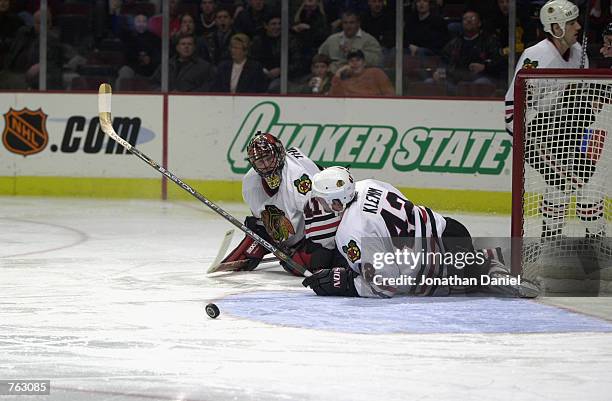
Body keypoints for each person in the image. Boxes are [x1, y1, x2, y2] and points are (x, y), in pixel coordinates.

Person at [301, 166, 540, 298]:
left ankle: (490, 269)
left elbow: (386, 284)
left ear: (336, 202)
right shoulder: (368, 185)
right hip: (450, 229)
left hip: (436, 263)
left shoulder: (350, 231)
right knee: (462, 260)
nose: (319, 206)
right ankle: (488, 259)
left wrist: (347, 285)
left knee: (467, 277)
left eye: (322, 201)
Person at [504, 0, 610, 242]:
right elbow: (513, 108)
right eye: (572, 23)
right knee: (586, 185)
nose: (578, 27)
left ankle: (550, 240)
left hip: (563, 134)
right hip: (532, 134)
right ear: (557, 27)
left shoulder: (578, 55)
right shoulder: (537, 56)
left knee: (559, 187)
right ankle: (598, 241)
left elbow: (580, 101)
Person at [220, 132, 342, 276]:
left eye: (268, 158)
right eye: (260, 161)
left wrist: (319, 255)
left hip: (326, 226)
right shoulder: (250, 183)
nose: (265, 166)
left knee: (309, 262)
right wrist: (261, 235)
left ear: (279, 153)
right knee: (256, 227)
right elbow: (265, 217)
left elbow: (329, 217)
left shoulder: (298, 179)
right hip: (296, 229)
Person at [429, 10, 502, 93]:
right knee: (430, 82)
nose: (468, 20)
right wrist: (439, 72)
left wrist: (484, 66)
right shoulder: (454, 43)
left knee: (478, 84)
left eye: (472, 18)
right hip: (456, 82)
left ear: (479, 23)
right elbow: (443, 61)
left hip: (481, 78)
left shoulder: (489, 41)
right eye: (465, 19)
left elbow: (498, 62)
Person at [318, 10, 383, 72]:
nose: (348, 26)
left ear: (358, 23)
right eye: (345, 23)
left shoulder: (369, 40)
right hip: (334, 75)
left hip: (359, 76)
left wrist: (354, 51)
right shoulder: (332, 39)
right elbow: (320, 57)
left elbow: (376, 61)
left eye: (351, 22)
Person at [116, 13, 161, 91]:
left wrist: (150, 59)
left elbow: (158, 54)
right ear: (134, 23)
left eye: (144, 21)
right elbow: (126, 53)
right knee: (125, 72)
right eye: (138, 21)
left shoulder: (155, 38)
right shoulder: (128, 36)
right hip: (132, 66)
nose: (141, 24)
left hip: (150, 69)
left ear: (147, 24)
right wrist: (138, 58)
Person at [329, 49, 394, 96]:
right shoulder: (344, 78)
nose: (355, 63)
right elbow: (334, 97)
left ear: (364, 63)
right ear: (347, 64)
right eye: (351, 61)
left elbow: (389, 94)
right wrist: (338, 73)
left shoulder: (376, 73)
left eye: (358, 60)